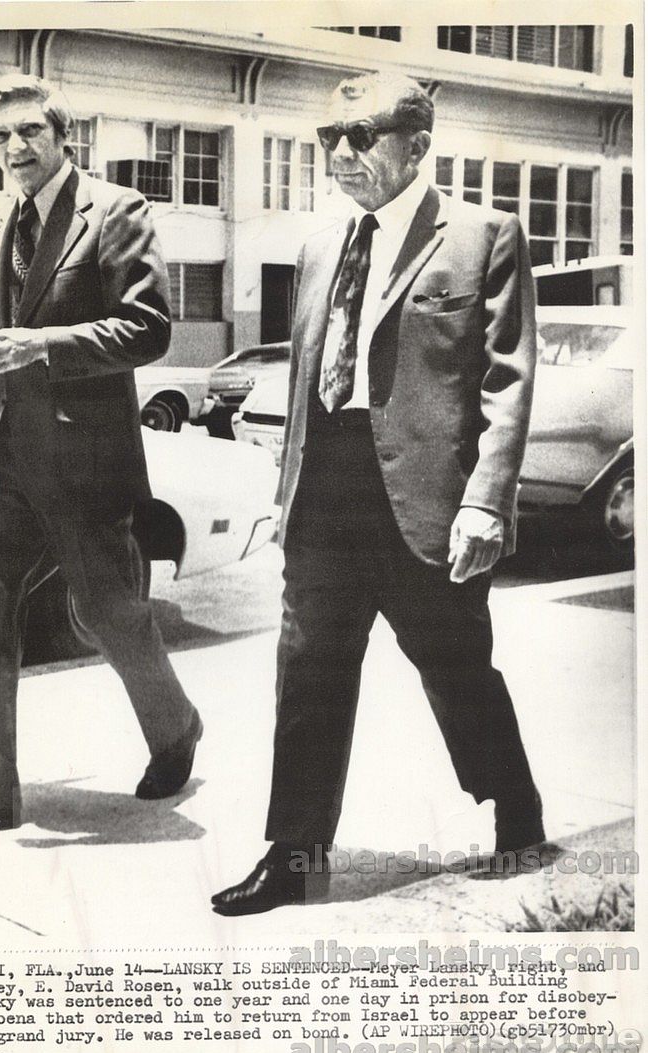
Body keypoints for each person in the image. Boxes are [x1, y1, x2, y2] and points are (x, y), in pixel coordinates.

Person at [212, 71, 545, 916]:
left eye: (360, 137)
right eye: (329, 137)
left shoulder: (482, 236)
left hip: (427, 498)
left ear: (417, 146)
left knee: (455, 666)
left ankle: (515, 806)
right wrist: (285, 491)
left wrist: (485, 500)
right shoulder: (320, 246)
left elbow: (506, 383)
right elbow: (303, 380)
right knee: (308, 671)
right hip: (325, 491)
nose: (340, 153)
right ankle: (294, 855)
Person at [0, 74, 201, 839]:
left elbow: (149, 328)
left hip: (84, 461)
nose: (15, 146)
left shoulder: (116, 211)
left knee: (108, 614)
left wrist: (45, 344)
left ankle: (175, 729)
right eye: (0, 136)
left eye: (30, 130)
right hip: (3, 461)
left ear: (64, 136)